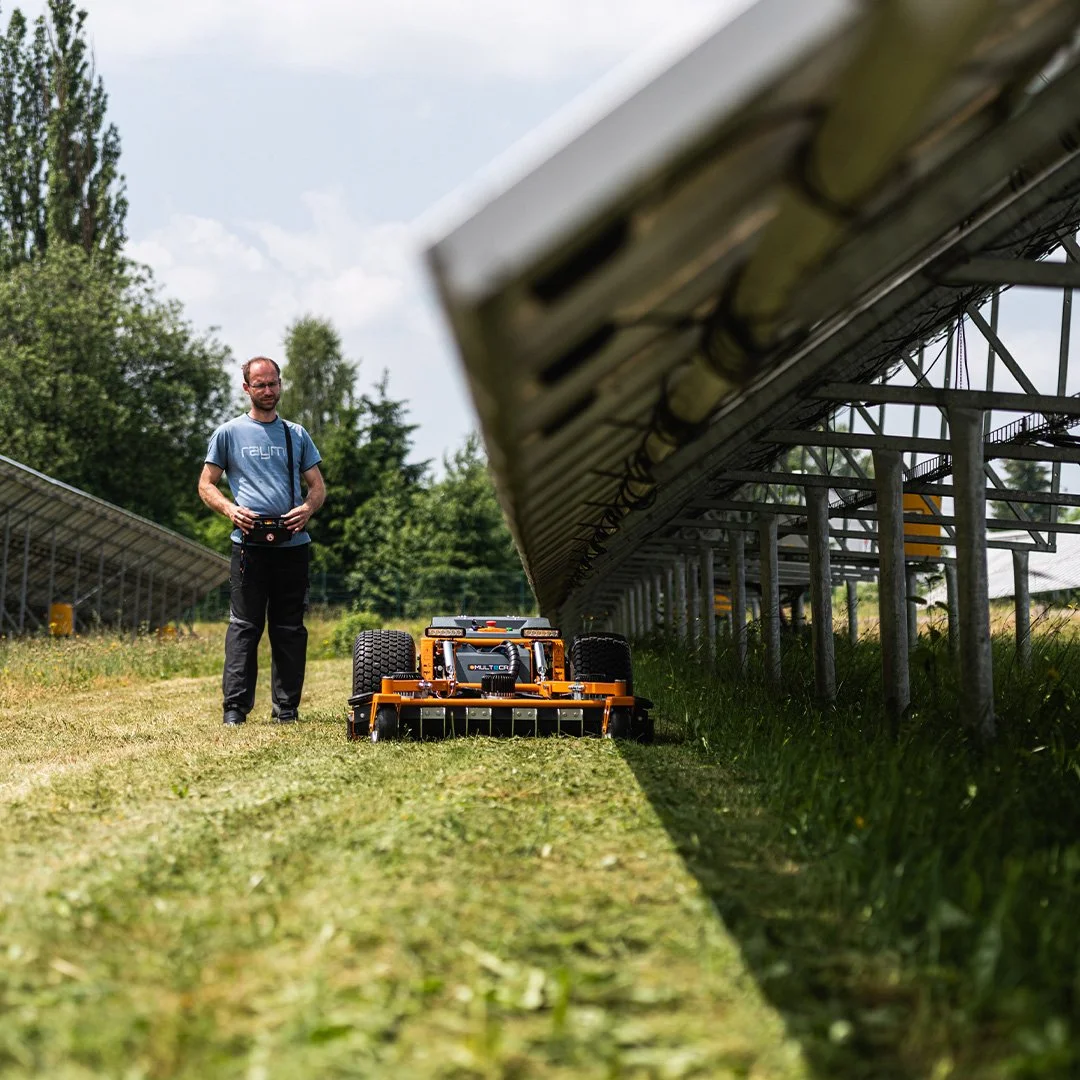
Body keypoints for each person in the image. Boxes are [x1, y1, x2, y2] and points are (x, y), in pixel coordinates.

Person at [198, 356, 326, 726]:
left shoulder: (296, 434)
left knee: (289, 629)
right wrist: (230, 510)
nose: (268, 390)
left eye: (273, 383)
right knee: (244, 627)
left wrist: (306, 509)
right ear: (246, 388)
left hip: (292, 546)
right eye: (260, 385)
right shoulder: (228, 433)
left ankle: (286, 709)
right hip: (248, 547)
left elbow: (317, 487)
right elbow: (206, 484)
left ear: (280, 384)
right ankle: (235, 709)